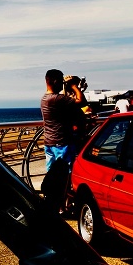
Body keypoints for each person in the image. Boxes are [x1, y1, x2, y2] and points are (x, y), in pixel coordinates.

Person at [40, 69, 85, 211]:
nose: (62, 84)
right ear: (54, 81)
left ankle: (54, 203)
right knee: (65, 177)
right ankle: (61, 206)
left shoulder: (45, 99)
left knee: (52, 175)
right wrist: (73, 86)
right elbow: (81, 101)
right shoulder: (56, 99)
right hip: (62, 143)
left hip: (49, 143)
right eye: (60, 81)